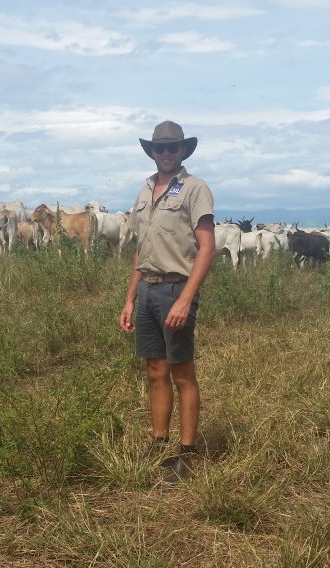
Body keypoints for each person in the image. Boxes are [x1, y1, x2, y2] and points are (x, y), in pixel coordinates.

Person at [118, 121, 215, 482]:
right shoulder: (145, 191)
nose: (166, 153)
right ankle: (158, 444)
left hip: (176, 289)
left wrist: (185, 298)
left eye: (173, 147)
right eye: (160, 148)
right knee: (154, 371)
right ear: (152, 152)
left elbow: (207, 248)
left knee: (182, 374)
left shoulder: (195, 189)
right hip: (147, 290)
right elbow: (140, 250)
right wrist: (129, 298)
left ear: (183, 150)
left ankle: (186, 454)